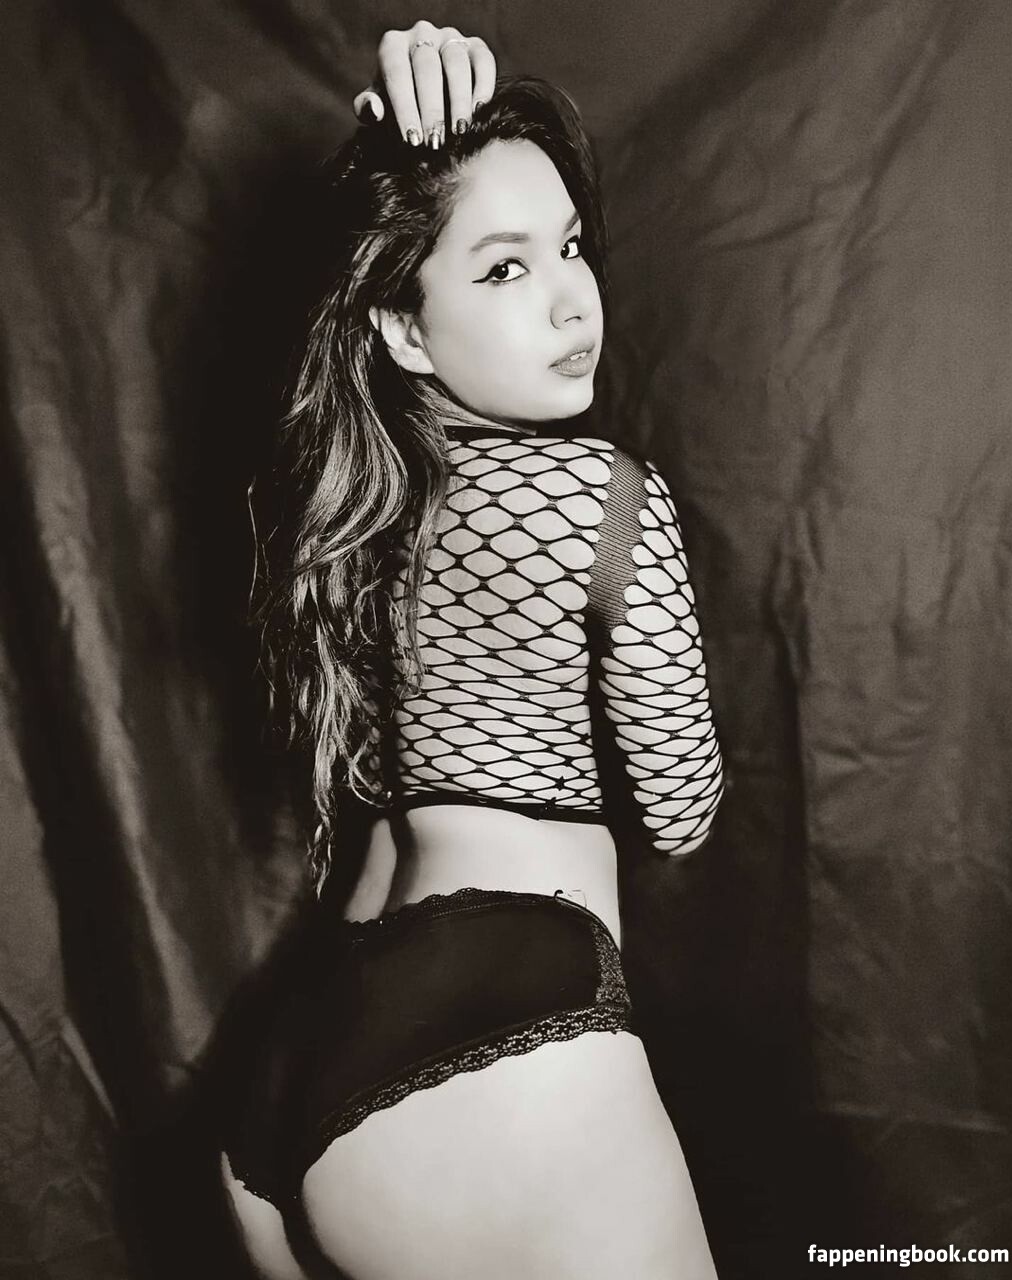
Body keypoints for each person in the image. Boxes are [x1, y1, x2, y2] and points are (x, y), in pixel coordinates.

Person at [218, 21, 725, 1280]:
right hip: (497, 1040)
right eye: (502, 268)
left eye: (568, 246)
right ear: (402, 328)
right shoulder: (596, 496)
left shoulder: (349, 517)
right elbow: (679, 810)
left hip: (292, 1068)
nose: (569, 297)